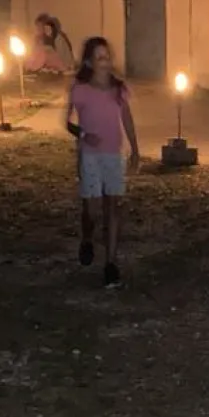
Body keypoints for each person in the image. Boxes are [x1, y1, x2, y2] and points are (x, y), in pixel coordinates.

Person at [67, 38, 141, 289]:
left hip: (113, 155)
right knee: (91, 209)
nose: (105, 62)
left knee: (113, 207)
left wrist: (135, 149)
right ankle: (87, 238)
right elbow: (68, 123)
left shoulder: (118, 89)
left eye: (107, 56)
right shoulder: (80, 89)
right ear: (89, 62)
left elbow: (127, 118)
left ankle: (111, 263)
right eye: (100, 57)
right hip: (90, 155)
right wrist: (84, 135)